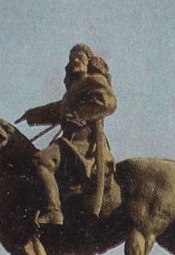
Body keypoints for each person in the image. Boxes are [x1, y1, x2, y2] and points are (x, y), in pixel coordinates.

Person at [17, 44, 117, 228]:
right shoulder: (74, 91)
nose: (74, 61)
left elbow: (108, 103)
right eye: (72, 58)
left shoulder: (94, 80)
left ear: (89, 62)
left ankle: (54, 212)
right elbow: (58, 109)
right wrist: (32, 114)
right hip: (69, 143)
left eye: (79, 57)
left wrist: (81, 115)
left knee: (41, 161)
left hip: (85, 144)